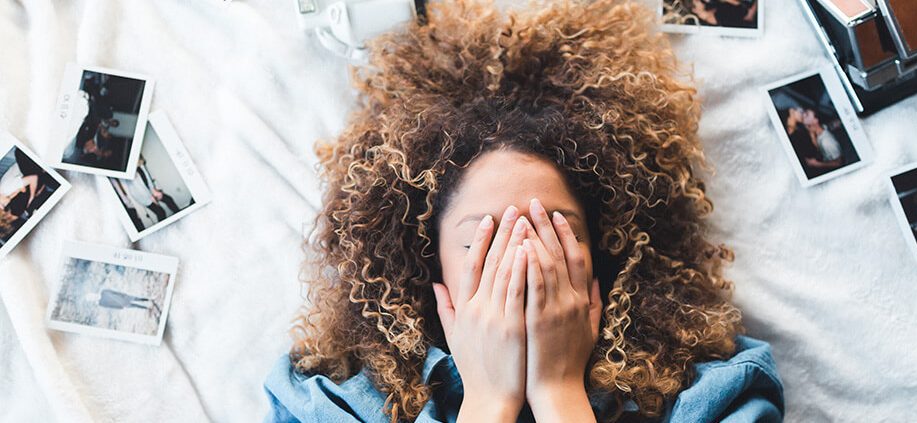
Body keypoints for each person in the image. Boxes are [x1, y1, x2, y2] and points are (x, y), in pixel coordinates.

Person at [265, 1, 783, 422]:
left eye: (551, 232)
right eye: (481, 242)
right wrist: (489, 400)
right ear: (429, 266)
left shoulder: (719, 392)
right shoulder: (329, 401)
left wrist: (559, 393)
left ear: (602, 258)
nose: (521, 262)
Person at [84, 289, 158, 312]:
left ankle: (150, 299)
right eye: (91, 298)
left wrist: (123, 294)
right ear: (92, 300)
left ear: (93, 293)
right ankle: (148, 308)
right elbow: (110, 306)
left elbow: (114, 292)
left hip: (124, 297)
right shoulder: (100, 303)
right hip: (122, 304)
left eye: (92, 296)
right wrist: (120, 307)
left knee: (136, 298)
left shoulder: (103, 291)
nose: (93, 297)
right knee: (136, 306)